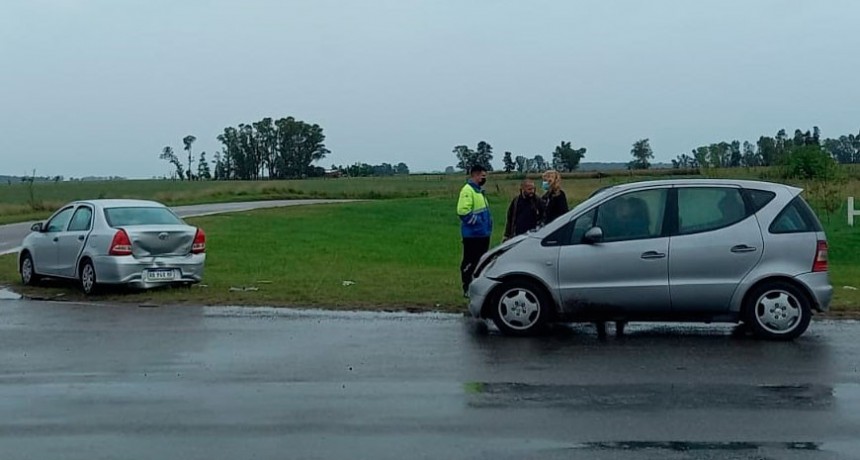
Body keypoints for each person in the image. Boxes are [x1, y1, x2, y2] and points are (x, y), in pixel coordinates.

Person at [457, 165, 493, 296]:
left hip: (483, 234)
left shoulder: (478, 191)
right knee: (470, 261)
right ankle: (467, 287)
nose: (484, 178)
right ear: (475, 175)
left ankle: (477, 286)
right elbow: (463, 211)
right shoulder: (468, 190)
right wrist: (477, 223)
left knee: (480, 261)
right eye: (483, 176)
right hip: (473, 235)